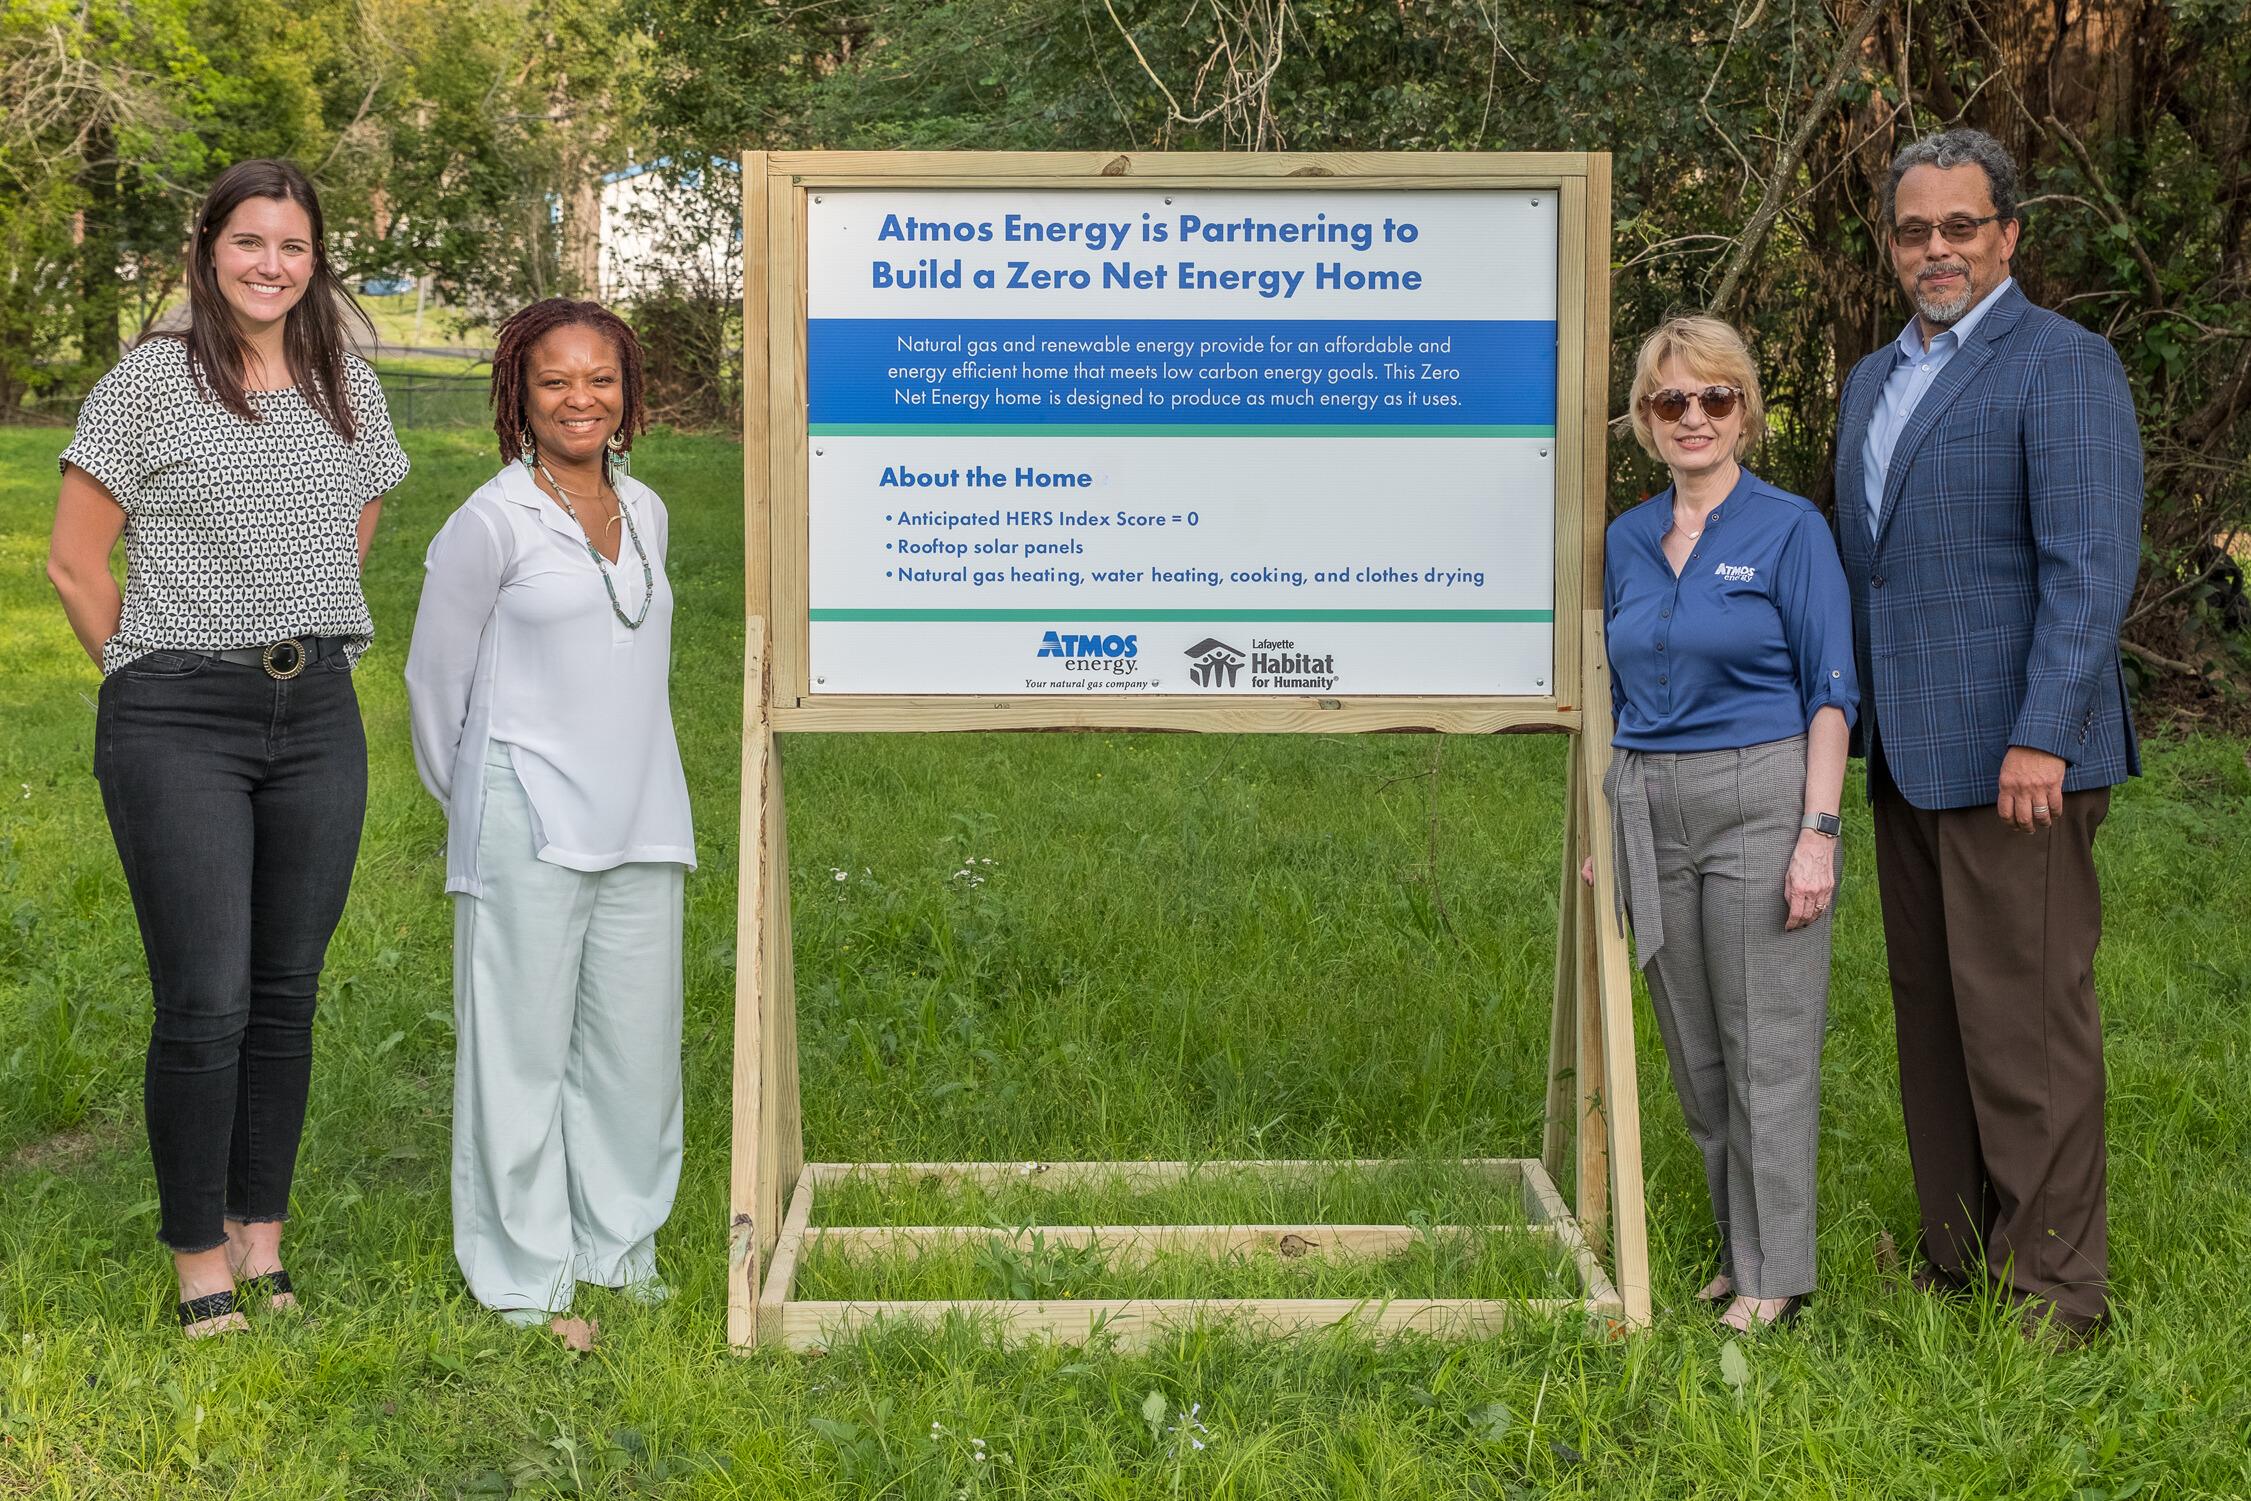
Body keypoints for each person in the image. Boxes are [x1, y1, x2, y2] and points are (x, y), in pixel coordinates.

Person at [44, 159, 408, 1337]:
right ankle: (199, 1255)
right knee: (205, 999)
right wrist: (142, 682)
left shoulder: (346, 379)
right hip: (175, 717)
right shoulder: (151, 380)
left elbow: (357, 523)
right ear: (209, 251)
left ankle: (264, 1234)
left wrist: (288, 622)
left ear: (318, 261)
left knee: (287, 992)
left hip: (315, 714)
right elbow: (75, 561)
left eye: (293, 247)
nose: (270, 265)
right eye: (248, 242)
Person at [1834, 129, 2141, 1342]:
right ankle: (1957, 1255)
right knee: (1936, 1014)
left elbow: (2087, 567)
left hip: (2018, 758)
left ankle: (2056, 1288)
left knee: (2026, 1023)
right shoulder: (1870, 379)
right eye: (1915, 229)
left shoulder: (2061, 365)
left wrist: (2043, 735)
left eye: (1961, 226)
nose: (1936, 249)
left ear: (2006, 234)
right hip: (1907, 756)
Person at [404, 299, 694, 1330]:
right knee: (518, 1050)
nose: (581, 398)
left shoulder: (648, 510)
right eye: (555, 380)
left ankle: (619, 1244)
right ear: (517, 396)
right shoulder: (488, 522)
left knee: (635, 1048)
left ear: (628, 395)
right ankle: (525, 1270)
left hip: (643, 809)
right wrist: (483, 803)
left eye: (600, 379)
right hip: (523, 811)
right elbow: (434, 687)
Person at [1596, 314, 1857, 1332]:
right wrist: (1604, 830)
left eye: (1714, 398)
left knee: (1767, 1047)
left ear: (1744, 411)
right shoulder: (1623, 540)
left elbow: (1830, 689)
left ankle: (1776, 1273)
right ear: (1645, 418)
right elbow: (1610, 695)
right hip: (1647, 799)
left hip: (1761, 792)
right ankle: (1734, 1247)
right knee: (1698, 1055)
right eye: (1672, 401)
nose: (1692, 417)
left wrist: (1817, 831)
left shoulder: (1789, 527)